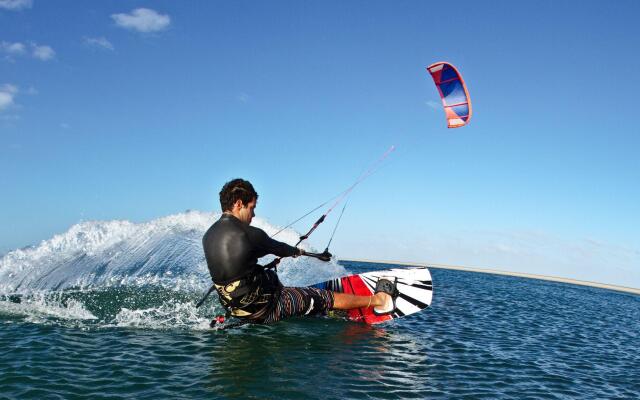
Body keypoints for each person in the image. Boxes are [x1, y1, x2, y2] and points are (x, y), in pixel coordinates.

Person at [202, 178, 398, 324]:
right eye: (252, 208)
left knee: (272, 280)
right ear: (238, 204)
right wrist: (304, 253)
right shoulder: (249, 234)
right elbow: (283, 249)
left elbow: (239, 263)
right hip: (266, 311)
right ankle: (379, 300)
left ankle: (306, 306)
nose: (253, 215)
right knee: (323, 296)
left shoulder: (208, 236)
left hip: (237, 311)